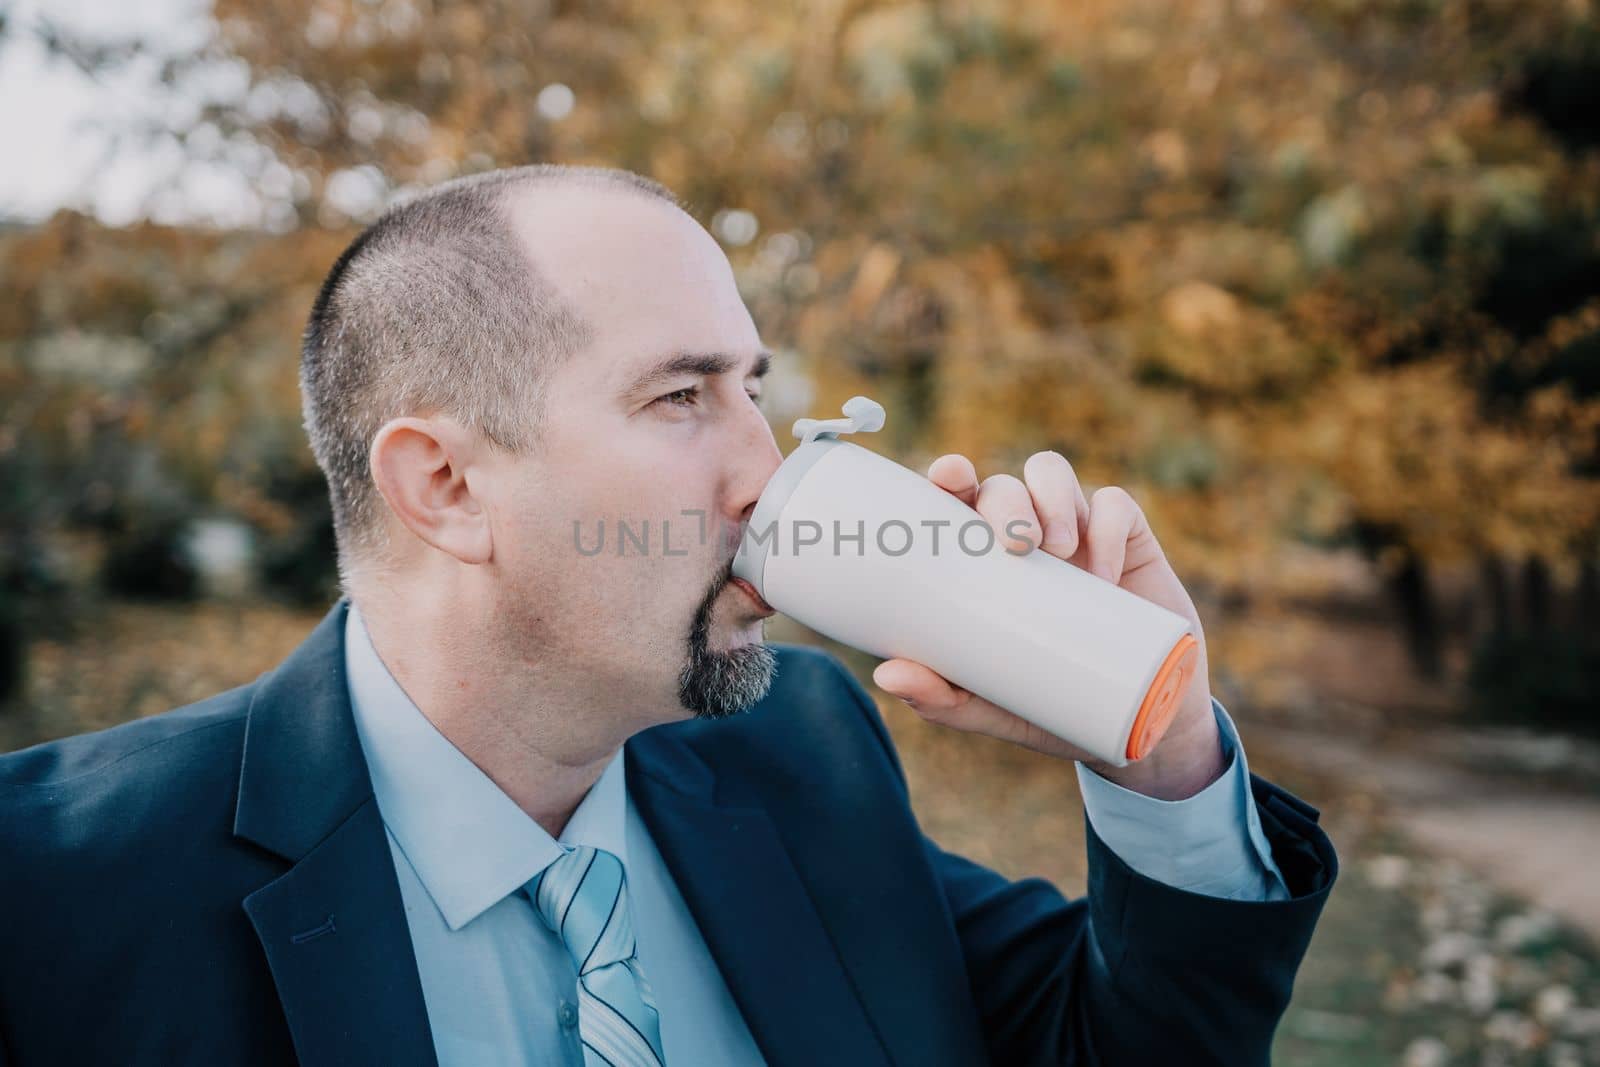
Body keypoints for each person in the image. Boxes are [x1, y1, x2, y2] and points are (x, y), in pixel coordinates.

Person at [0, 164, 1336, 1067]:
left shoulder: (802, 755)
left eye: (755, 388)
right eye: (682, 398)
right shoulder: (52, 893)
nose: (766, 472)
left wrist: (1163, 761)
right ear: (446, 485)